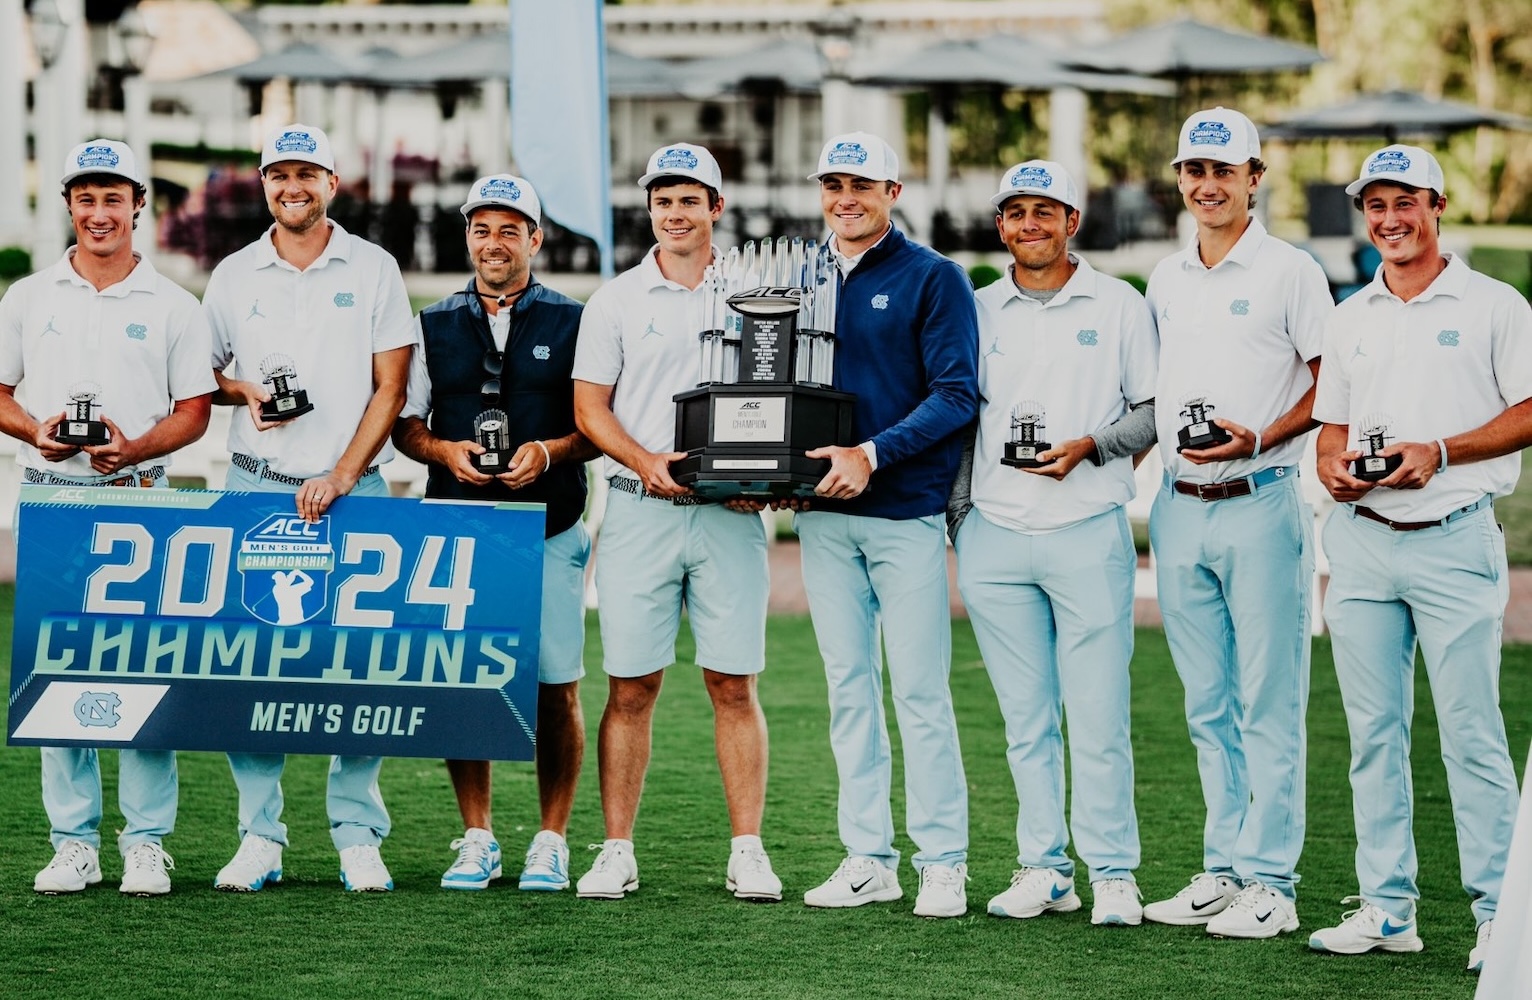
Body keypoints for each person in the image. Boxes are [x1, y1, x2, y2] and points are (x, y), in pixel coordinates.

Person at [1307, 145, 1529, 973]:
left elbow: (1530, 408)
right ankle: (1387, 908)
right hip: (1361, 541)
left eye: (1405, 203)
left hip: (1454, 535)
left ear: (1438, 205)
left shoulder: (1495, 304)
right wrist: (1329, 463)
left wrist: (1440, 450)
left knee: (1472, 734)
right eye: (1376, 206)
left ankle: (1500, 919)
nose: (1390, 220)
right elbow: (1333, 419)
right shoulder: (1350, 311)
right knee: (1372, 735)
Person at [202, 123, 414, 893]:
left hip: (354, 489)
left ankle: (356, 831)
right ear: (265, 185)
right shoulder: (233, 273)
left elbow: (391, 386)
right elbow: (207, 371)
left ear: (332, 184)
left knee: (360, 666)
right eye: (278, 174)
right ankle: (260, 834)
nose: (292, 187)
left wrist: (344, 474)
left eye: (307, 174)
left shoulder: (375, 266)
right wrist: (244, 392)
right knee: (251, 665)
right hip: (256, 484)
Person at [0, 139, 214, 895]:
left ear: (138, 204)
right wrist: (35, 431)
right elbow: (0, 393)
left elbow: (193, 413)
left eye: (113, 198)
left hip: (142, 502)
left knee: (142, 666)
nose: (99, 213)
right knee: (59, 664)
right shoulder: (27, 297)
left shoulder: (173, 305)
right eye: (86, 198)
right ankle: (73, 841)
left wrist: (135, 449)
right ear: (68, 205)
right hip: (54, 501)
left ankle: (147, 841)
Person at [949, 161, 1157, 926]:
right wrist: (961, 515)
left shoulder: (1121, 304)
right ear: (1000, 224)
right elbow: (958, 413)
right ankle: (1045, 867)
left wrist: (1092, 447)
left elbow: (1154, 409)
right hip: (995, 537)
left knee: (1098, 717)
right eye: (1015, 212)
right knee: (1025, 721)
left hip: (1086, 533)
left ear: (1073, 219)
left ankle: (1114, 874)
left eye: (1046, 210)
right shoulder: (975, 309)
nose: (1029, 224)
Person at [571, 143, 780, 902]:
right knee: (631, 684)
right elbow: (589, 408)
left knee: (733, 682)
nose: (675, 213)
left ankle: (748, 849)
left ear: (716, 208)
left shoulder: (759, 293)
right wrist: (642, 457)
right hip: (638, 509)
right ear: (648, 209)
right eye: (662, 200)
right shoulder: (616, 300)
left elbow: (781, 393)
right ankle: (616, 848)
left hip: (730, 515)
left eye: (690, 199)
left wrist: (770, 472)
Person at [1141, 108, 1331, 937]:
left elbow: (1334, 388)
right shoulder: (1165, 276)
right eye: (1195, 171)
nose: (1208, 185)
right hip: (1179, 507)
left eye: (1225, 171)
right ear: (1180, 179)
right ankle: (1222, 869)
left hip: (1261, 502)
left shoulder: (1293, 272)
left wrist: (1261, 435)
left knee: (1268, 701)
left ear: (1256, 177)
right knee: (1207, 703)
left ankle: (1272, 884)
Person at [393, 173, 595, 891]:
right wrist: (445, 453)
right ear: (468, 238)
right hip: (458, 529)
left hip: (551, 524)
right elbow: (407, 424)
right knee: (465, 686)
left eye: (510, 229)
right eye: (482, 228)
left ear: (535, 239)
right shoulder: (432, 322)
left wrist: (550, 451)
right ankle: (476, 834)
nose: (494, 241)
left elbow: (596, 426)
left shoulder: (576, 320)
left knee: (554, 687)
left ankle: (551, 837)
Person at [795, 132, 978, 918]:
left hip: (903, 514)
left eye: (861, 184)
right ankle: (868, 857)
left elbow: (957, 393)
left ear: (892, 191)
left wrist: (872, 452)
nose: (846, 197)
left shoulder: (935, 277)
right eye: (833, 183)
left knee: (920, 692)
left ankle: (944, 861)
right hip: (822, 515)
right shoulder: (799, 277)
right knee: (847, 689)